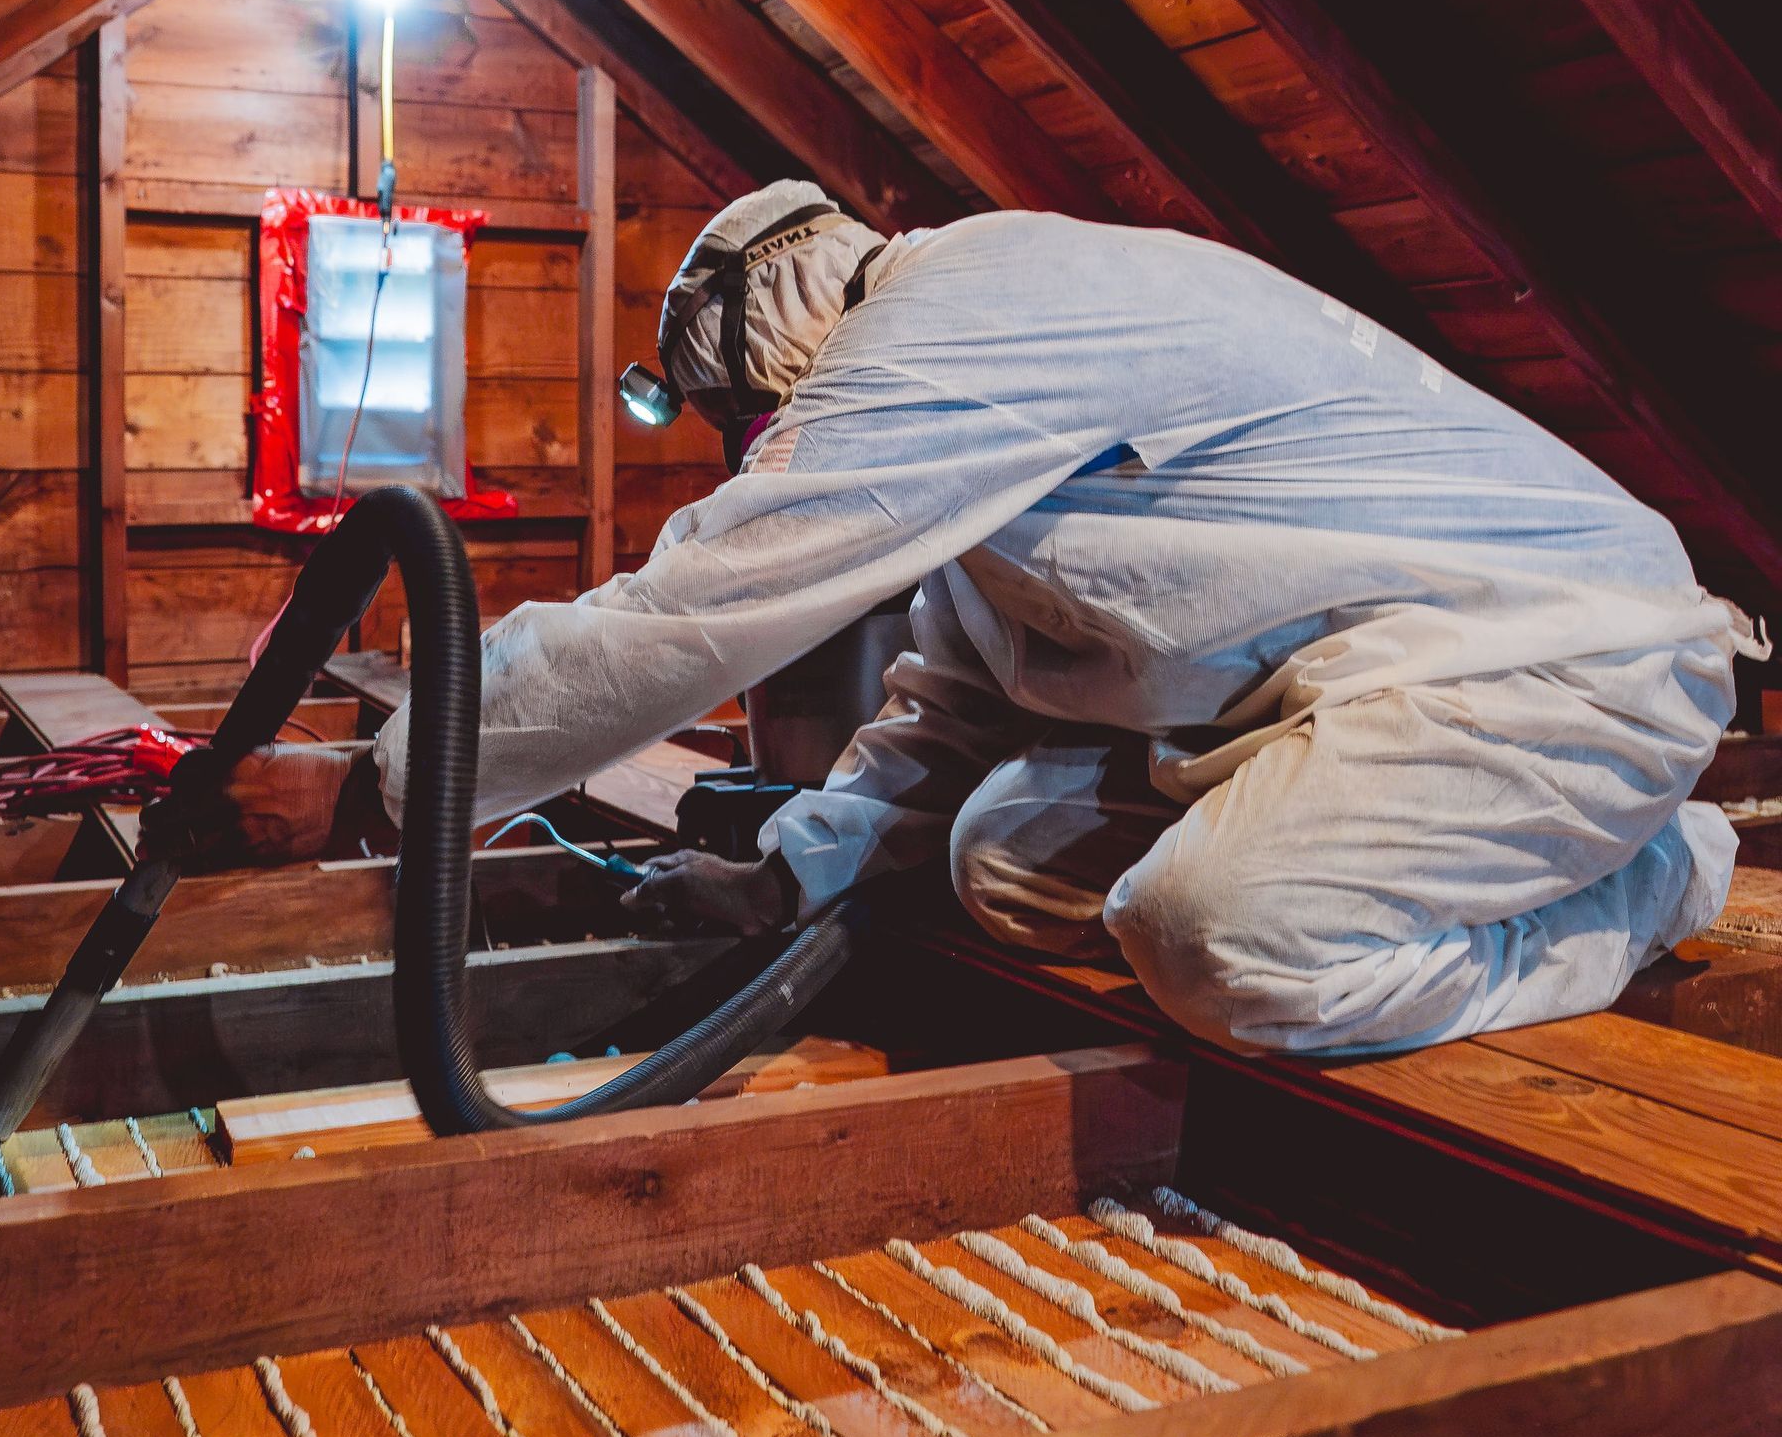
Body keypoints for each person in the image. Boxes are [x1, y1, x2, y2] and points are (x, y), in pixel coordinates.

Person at [222, 180, 1756, 1056]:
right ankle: (1430, 872)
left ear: (790, 352)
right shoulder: (980, 381)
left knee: (1214, 942)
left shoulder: (955, 325)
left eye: (761, 424)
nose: (772, 454)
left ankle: (1643, 884)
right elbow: (940, 715)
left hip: (1559, 660)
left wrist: (383, 783)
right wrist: (781, 880)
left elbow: (694, 612)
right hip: (1364, 697)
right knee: (995, 859)